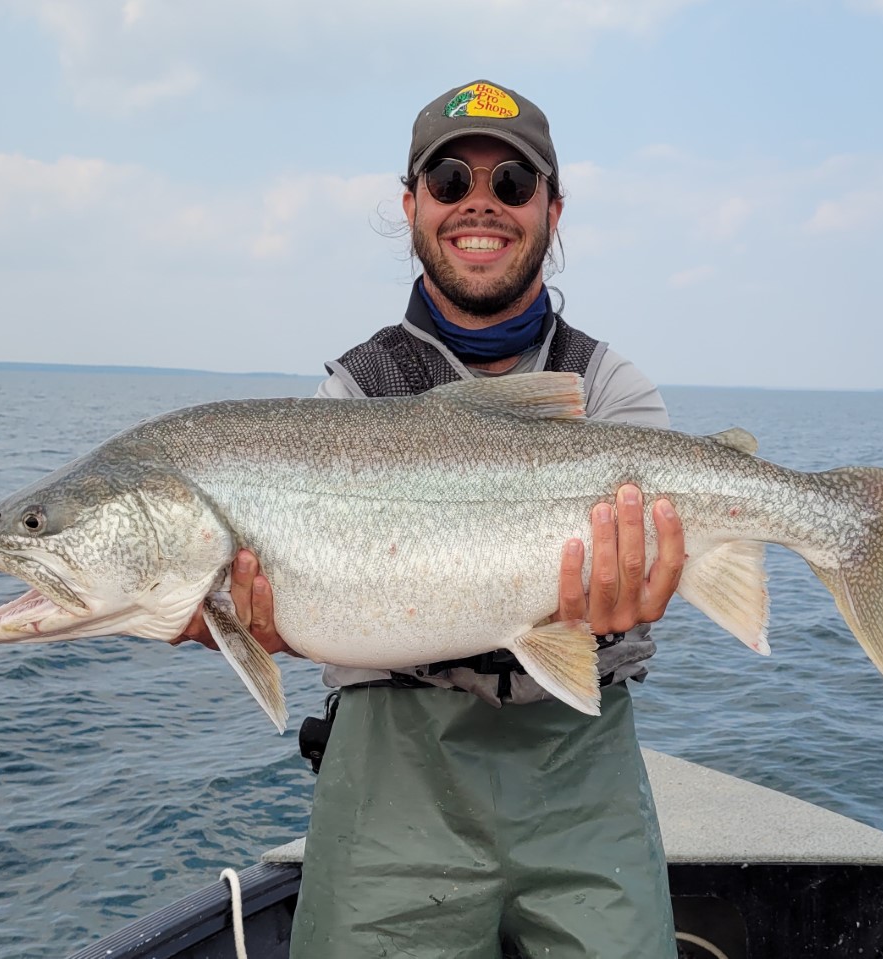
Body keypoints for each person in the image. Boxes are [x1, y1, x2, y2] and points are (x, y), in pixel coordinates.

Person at [179, 79, 687, 958]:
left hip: (583, 770)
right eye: (450, 180)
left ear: (553, 211)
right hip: (391, 779)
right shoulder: (348, 396)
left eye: (512, 184)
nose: (478, 203)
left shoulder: (611, 392)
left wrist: (638, 592)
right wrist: (260, 624)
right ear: (412, 206)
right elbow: (332, 611)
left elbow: (652, 585)